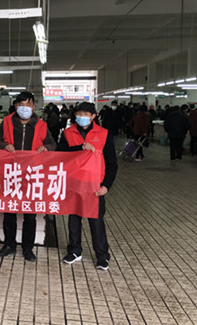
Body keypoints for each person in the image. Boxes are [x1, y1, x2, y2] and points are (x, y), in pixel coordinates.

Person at [0, 92, 56, 261]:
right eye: (21, 105)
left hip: (32, 174)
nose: (25, 108)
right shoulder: (6, 122)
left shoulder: (41, 125)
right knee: (9, 212)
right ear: (16, 106)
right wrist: (4, 145)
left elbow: (53, 144)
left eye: (28, 104)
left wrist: (46, 148)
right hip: (11, 174)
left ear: (33, 106)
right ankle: (9, 245)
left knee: (30, 214)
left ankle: (28, 248)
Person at [58, 102, 118, 270]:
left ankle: (102, 255)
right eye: (79, 114)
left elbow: (112, 162)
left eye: (86, 114)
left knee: (96, 221)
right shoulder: (68, 133)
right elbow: (60, 155)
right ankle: (74, 251)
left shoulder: (104, 134)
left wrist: (106, 185)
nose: (82, 117)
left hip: (95, 186)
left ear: (93, 116)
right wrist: (80, 148)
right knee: (74, 219)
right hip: (74, 184)